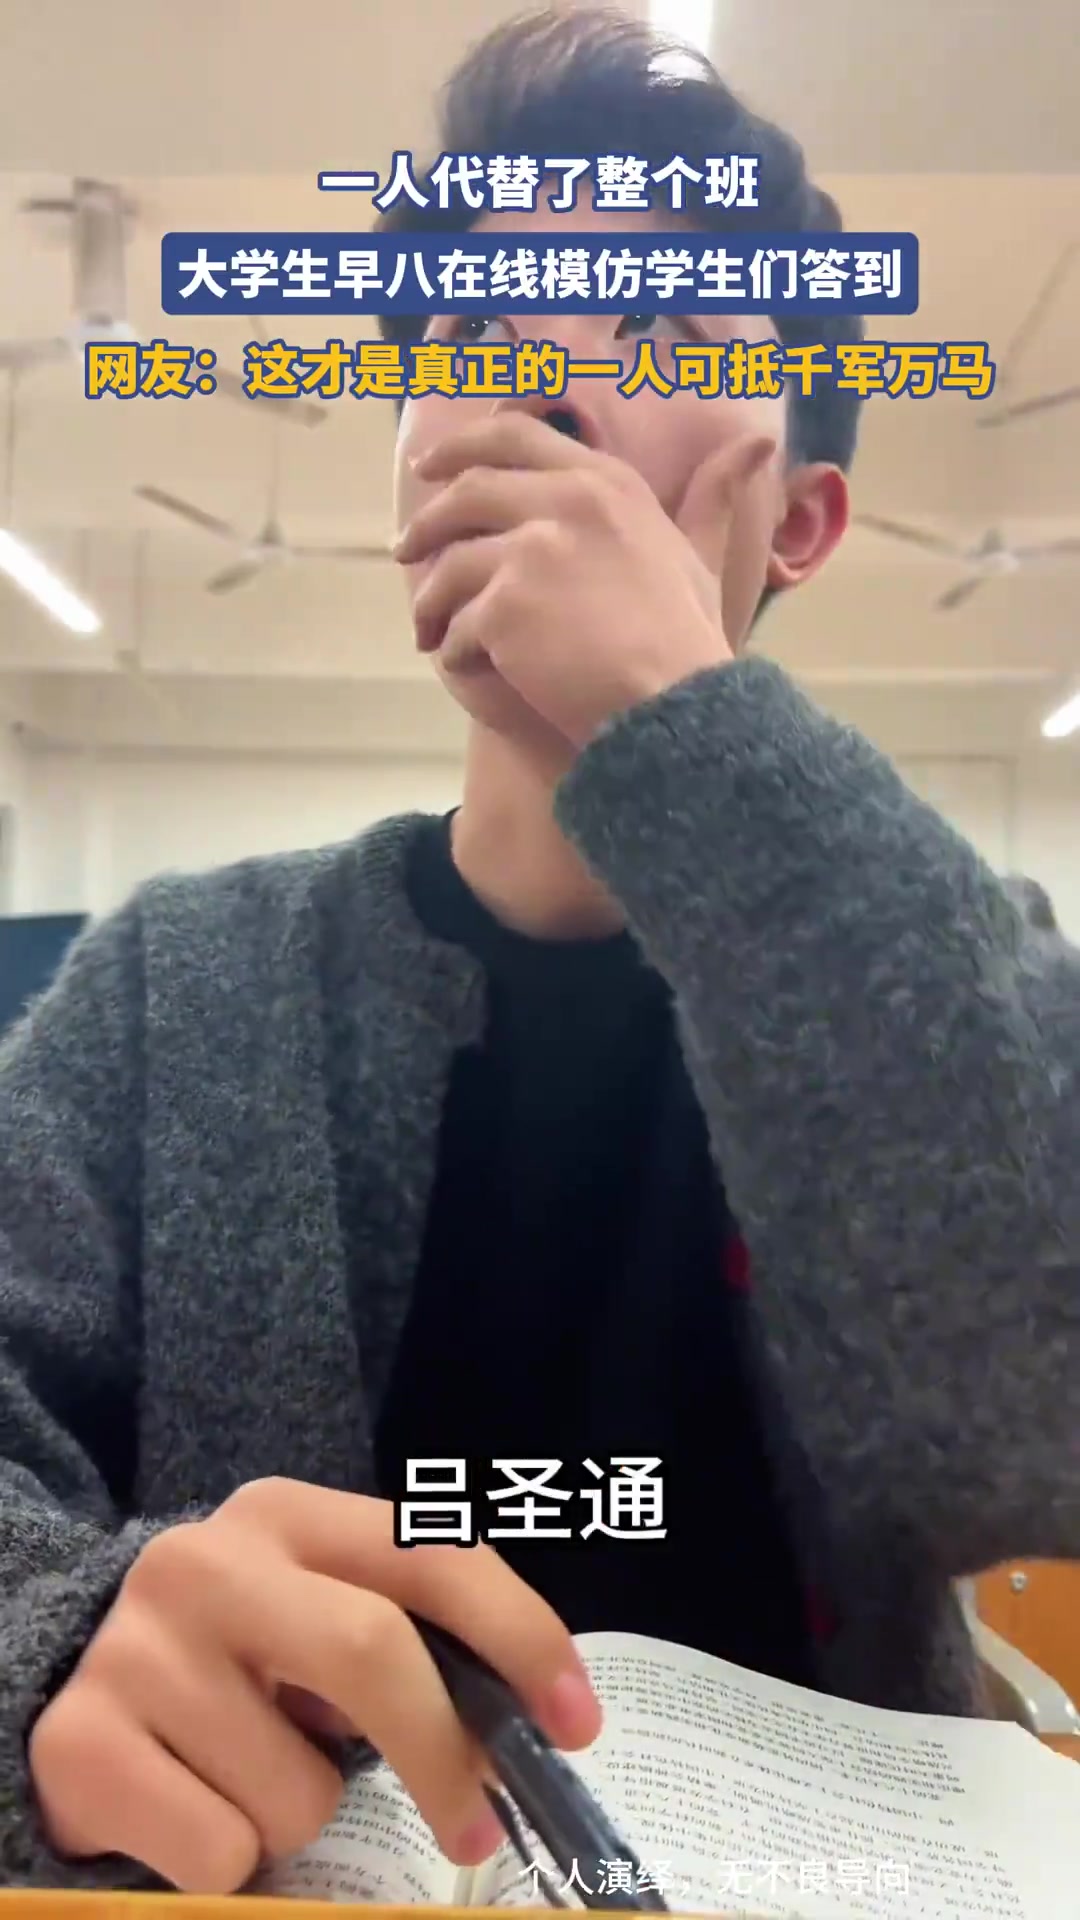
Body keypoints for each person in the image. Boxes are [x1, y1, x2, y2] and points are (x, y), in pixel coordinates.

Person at [1, 3, 1077, 1895]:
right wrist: (55, 1638)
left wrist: (682, 711)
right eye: (475, 340)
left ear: (801, 521)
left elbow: (1026, 1440)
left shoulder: (955, 961)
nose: (540, 395)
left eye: (658, 339)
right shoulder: (178, 985)